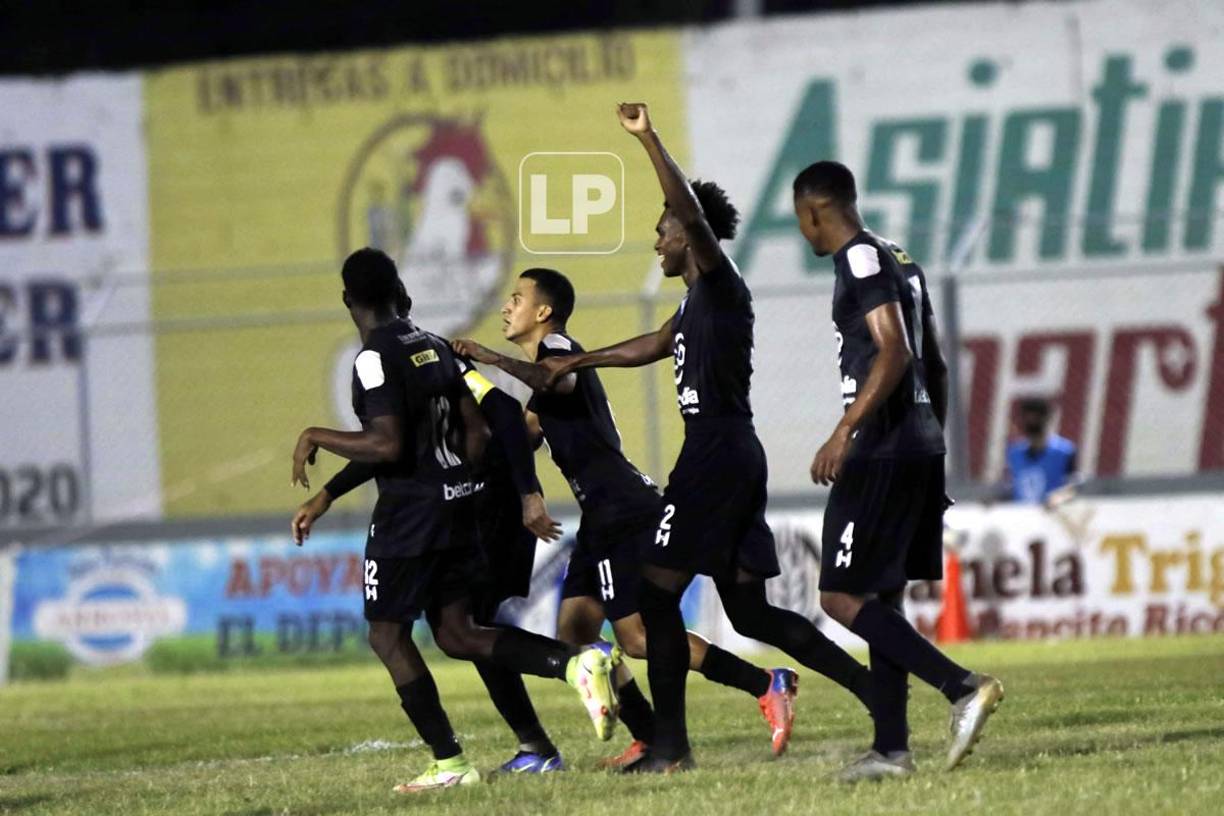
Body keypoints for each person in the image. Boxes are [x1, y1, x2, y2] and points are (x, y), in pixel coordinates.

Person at [538, 104, 875, 773]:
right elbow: (652, 345)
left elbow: (688, 214)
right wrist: (580, 361)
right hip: (729, 453)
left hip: (716, 453)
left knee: (656, 597)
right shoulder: (692, 305)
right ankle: (875, 692)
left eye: (663, 234)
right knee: (752, 614)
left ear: (687, 237)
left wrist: (648, 139)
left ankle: (671, 749)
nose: (657, 244)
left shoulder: (720, 286)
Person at [288, 248, 618, 793]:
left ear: (349, 300)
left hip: (408, 519)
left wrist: (314, 435)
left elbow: (386, 444)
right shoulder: (435, 346)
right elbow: (478, 426)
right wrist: (449, 480)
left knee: (387, 636)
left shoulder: (372, 358)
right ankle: (572, 666)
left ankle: (449, 762)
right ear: (399, 290)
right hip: (456, 505)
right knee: (458, 631)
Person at [455, 267, 800, 766]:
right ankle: (649, 734)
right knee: (575, 631)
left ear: (544, 312)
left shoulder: (557, 349)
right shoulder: (544, 375)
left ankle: (765, 683)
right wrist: (466, 386)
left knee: (637, 638)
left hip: (624, 512)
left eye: (516, 299)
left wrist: (484, 358)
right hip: (599, 519)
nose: (507, 308)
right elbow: (519, 433)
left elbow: (562, 379)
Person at [792, 160, 1004, 782]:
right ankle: (891, 750)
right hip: (917, 443)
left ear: (813, 212)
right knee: (881, 597)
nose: (803, 233)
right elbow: (933, 364)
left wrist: (845, 428)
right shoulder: (898, 255)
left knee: (839, 594)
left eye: (801, 221)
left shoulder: (858, 259)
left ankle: (961, 686)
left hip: (880, 448)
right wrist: (931, 441)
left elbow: (897, 350)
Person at [1003, 398, 1080, 506]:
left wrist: (1059, 497)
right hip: (1021, 516)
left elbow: (1075, 487)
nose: (1031, 422)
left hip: (1052, 514)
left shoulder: (1064, 451)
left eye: (1036, 418)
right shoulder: (1015, 453)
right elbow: (1012, 487)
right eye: (1027, 418)